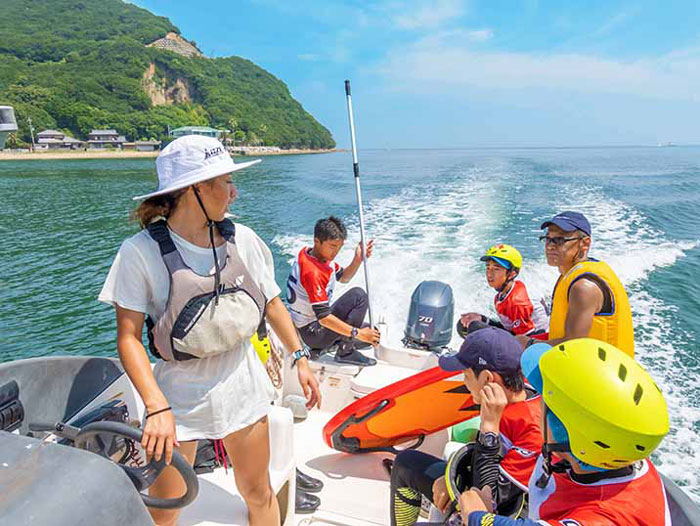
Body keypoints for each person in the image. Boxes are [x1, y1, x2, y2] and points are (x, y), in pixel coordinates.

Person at [99, 135, 321, 526]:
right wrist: (156, 406)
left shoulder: (244, 239)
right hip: (178, 397)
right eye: (226, 182)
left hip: (243, 384)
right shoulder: (140, 253)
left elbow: (271, 302)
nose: (234, 193)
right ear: (196, 188)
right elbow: (128, 338)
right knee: (168, 505)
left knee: (257, 491)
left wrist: (299, 355)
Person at [458, 338, 670, 525]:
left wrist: (476, 516)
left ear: (561, 431)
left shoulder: (607, 515)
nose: (537, 402)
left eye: (546, 400)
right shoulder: (607, 455)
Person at [389, 327, 543, 526]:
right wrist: (449, 475)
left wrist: (489, 428)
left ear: (488, 379)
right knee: (405, 463)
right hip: (480, 481)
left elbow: (490, 501)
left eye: (466, 374)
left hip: (500, 513)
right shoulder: (519, 393)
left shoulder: (532, 429)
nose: (464, 382)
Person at [518, 211, 634, 356]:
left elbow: (572, 347)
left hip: (594, 375)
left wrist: (527, 343)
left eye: (559, 240)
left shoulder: (584, 287)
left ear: (585, 243)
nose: (550, 246)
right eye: (547, 239)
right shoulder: (569, 275)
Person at [286, 216, 380, 367]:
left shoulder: (312, 255)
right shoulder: (312, 272)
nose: (335, 252)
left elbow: (343, 277)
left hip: (314, 325)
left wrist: (357, 259)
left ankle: (327, 346)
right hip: (312, 332)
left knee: (373, 331)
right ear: (317, 241)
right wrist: (359, 334)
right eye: (332, 246)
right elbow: (324, 318)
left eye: (339, 247)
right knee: (359, 296)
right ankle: (345, 352)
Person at [458, 244, 548, 338]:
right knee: (466, 324)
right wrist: (483, 319)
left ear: (512, 274)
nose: (489, 274)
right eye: (488, 267)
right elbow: (510, 330)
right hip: (520, 337)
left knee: (475, 328)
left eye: (496, 269)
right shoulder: (502, 295)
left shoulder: (518, 302)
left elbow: (524, 340)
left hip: (537, 345)